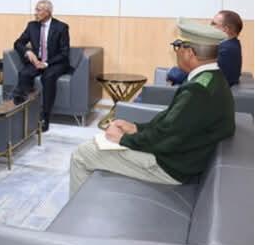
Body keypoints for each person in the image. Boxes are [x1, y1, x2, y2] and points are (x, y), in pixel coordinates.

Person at [69, 29, 235, 197]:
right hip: (179, 157)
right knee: (96, 147)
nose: (176, 51)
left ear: (189, 52)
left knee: (82, 154)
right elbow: (171, 122)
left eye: (177, 46)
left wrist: (123, 139)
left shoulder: (197, 91)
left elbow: (166, 137)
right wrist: (136, 128)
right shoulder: (213, 79)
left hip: (169, 167)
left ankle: (77, 213)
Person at [12, 0, 70, 132]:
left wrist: (46, 63)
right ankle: (24, 110)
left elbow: (64, 53)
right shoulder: (32, 26)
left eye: (38, 10)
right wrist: (28, 52)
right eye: (36, 10)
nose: (35, 13)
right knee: (24, 74)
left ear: (47, 12)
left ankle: (45, 117)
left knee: (48, 77)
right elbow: (18, 43)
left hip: (55, 62)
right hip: (37, 61)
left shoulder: (61, 27)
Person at [167, 11, 243, 86]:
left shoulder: (225, 50)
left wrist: (172, 72)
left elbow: (196, 74)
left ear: (225, 29)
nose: (209, 26)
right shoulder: (232, 45)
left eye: (213, 24)